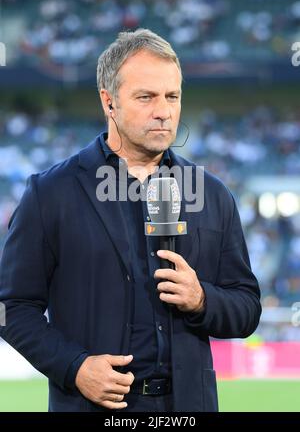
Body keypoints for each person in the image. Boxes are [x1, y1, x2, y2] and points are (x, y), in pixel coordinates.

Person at [0, 28, 261, 412]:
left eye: (173, 96)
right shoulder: (51, 193)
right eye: (146, 97)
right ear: (109, 102)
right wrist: (75, 367)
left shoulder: (212, 194)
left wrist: (203, 299)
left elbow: (247, 307)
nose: (164, 111)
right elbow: (12, 307)